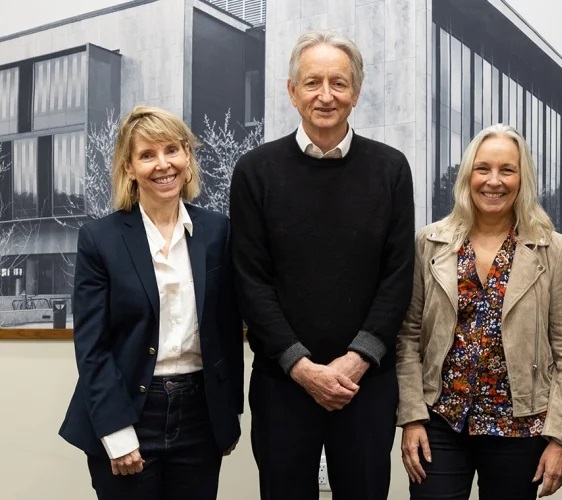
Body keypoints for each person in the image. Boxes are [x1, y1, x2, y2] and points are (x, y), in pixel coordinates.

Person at [230, 30, 415, 499]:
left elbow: (397, 276)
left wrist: (355, 363)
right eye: (312, 82)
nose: (325, 95)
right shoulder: (255, 171)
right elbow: (250, 280)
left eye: (339, 82)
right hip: (283, 383)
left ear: (356, 92)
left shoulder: (391, 169)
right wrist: (301, 367)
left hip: (366, 386)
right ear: (292, 92)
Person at [59, 106, 244, 499]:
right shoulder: (100, 239)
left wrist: (227, 415)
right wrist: (116, 431)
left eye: (172, 150)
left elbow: (227, 329)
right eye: (147, 155)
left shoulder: (217, 231)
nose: (163, 165)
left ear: (187, 157)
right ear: (129, 167)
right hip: (130, 412)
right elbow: (92, 346)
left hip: (200, 415)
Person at [396, 123, 562, 500]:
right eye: (483, 168)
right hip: (441, 421)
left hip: (520, 427)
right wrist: (412, 416)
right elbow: (408, 337)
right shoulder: (430, 242)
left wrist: (560, 438)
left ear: (522, 178)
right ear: (468, 174)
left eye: (507, 170)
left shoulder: (550, 248)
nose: (493, 181)